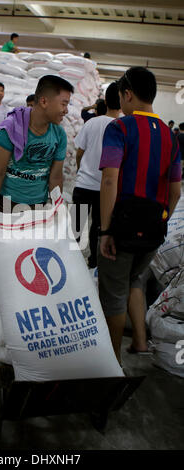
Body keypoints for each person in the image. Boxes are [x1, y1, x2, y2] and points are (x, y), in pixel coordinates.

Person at [98, 66, 181, 364]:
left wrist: (106, 230)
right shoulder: (172, 139)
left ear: (128, 94)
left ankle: (112, 364)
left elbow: (109, 179)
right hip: (153, 233)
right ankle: (141, 345)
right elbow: (175, 192)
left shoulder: (120, 128)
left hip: (122, 230)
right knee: (135, 282)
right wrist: (161, 220)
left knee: (114, 297)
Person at [0, 75, 73, 209]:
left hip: (39, 204)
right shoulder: (10, 129)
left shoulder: (59, 134)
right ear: (44, 102)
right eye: (63, 104)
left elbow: (55, 177)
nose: (66, 110)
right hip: (8, 203)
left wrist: (56, 207)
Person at [73, 81, 121, 268]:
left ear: (105, 101)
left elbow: (79, 152)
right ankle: (93, 263)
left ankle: (70, 264)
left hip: (83, 184)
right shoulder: (122, 126)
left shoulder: (91, 122)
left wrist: (80, 171)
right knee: (99, 228)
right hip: (105, 190)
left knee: (76, 227)